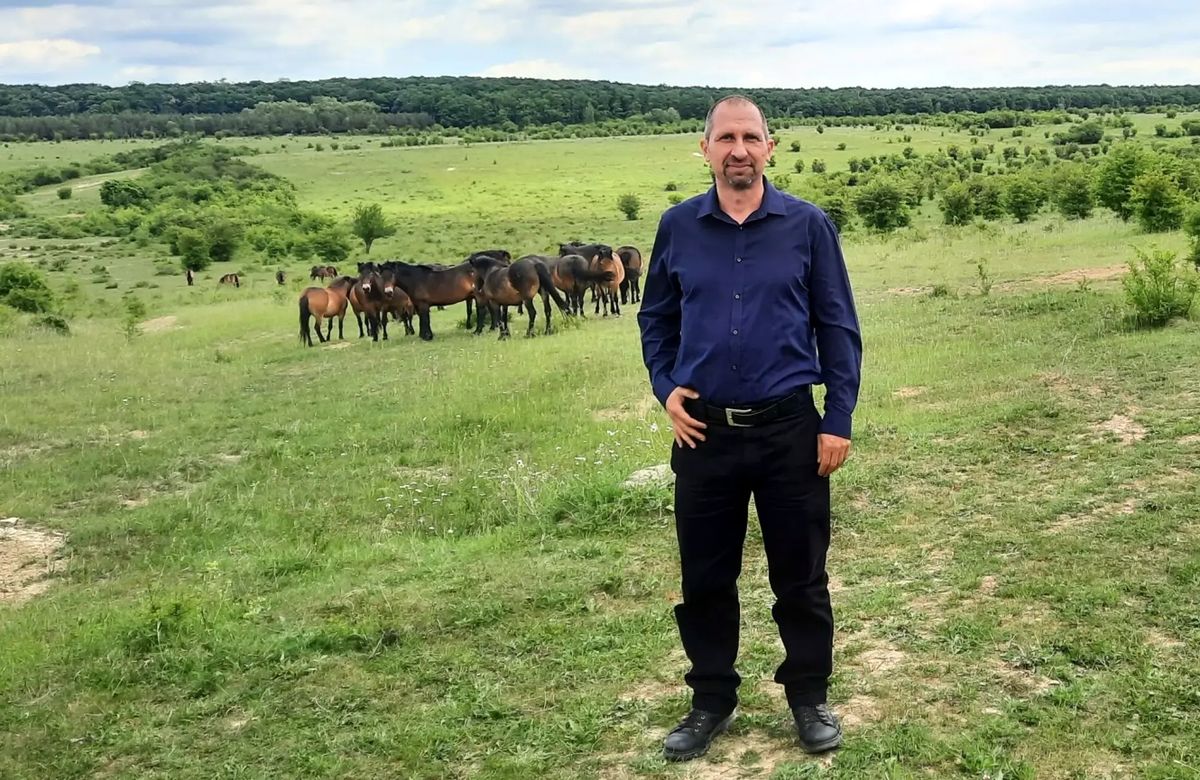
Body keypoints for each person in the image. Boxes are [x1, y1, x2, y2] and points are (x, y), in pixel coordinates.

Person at [637, 95, 862, 762]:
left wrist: (838, 419)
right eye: (726, 138)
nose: (739, 149)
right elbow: (656, 319)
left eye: (751, 137)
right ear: (704, 148)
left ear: (770, 147)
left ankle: (808, 696)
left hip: (790, 429)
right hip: (703, 433)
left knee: (802, 576)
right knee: (705, 577)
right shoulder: (678, 226)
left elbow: (837, 326)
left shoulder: (807, 225)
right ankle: (711, 699)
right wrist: (665, 388)